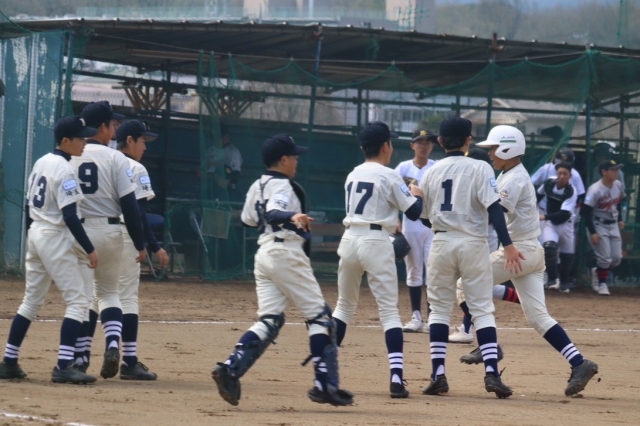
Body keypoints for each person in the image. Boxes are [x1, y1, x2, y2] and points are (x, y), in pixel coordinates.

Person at [455, 125, 599, 398]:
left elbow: (495, 212)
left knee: (463, 284)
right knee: (537, 316)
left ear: (508, 149)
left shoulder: (514, 178)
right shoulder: (509, 174)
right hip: (530, 252)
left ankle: (488, 346)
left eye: (494, 148)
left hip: (517, 252)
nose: (490, 153)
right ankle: (580, 363)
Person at [212, 134, 353, 407]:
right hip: (285, 254)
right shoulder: (283, 186)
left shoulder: (257, 184)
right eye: (294, 156)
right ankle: (325, 385)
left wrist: (281, 216)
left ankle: (230, 368)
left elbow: (248, 219)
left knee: (270, 320)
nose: (297, 160)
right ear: (284, 159)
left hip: (264, 254)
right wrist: (291, 216)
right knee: (321, 318)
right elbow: (273, 214)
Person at [419, 117, 521, 399]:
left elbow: (425, 218)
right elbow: (495, 209)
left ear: (440, 142)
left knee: (439, 310)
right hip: (473, 242)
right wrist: (508, 244)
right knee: (482, 310)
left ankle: (438, 376)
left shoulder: (430, 172)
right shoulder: (480, 167)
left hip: (441, 242)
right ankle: (492, 373)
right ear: (468, 140)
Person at [0, 116, 98, 384]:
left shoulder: (42, 161)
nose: (85, 142)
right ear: (65, 141)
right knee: (78, 301)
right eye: (80, 138)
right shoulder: (65, 170)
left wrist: (31, 238)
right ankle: (64, 366)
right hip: (54, 235)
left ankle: (9, 361)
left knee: (31, 301)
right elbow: (70, 216)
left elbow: (28, 204)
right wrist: (89, 248)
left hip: (36, 232)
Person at [332, 121, 424, 399]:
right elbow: (414, 212)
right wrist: (416, 194)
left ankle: (326, 372)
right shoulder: (389, 174)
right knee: (389, 313)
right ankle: (396, 378)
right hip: (376, 241)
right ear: (385, 146)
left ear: (363, 148)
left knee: (343, 307)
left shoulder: (353, 173)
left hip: (350, 239)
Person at [70, 101, 147, 380]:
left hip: (79, 232)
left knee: (83, 298)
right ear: (102, 127)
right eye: (112, 125)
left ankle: (80, 359)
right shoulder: (116, 159)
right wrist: (140, 243)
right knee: (110, 294)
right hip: (111, 230)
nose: (114, 131)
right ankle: (113, 344)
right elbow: (130, 207)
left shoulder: (71, 156)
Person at [114, 120, 170, 380]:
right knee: (127, 299)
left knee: (95, 297)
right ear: (129, 140)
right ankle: (129, 361)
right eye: (143, 140)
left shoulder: (104, 162)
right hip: (125, 236)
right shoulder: (137, 168)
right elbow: (139, 214)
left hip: (97, 234)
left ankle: (78, 358)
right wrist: (149, 245)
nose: (145, 147)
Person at [448, 147, 520, 345]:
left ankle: (466, 329)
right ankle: (525, 300)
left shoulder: (484, 181)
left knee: (472, 284)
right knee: (480, 284)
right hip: (475, 237)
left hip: (482, 236)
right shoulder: (478, 180)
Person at [394, 128, 437, 333]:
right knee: (414, 271)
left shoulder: (436, 167)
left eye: (427, 142)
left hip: (432, 225)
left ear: (433, 146)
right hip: (411, 224)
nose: (424, 146)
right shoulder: (402, 168)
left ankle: (432, 318)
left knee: (433, 272)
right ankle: (416, 317)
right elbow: (391, 194)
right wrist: (394, 218)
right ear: (412, 145)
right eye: (420, 142)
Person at [581, 160, 626, 296]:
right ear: (604, 172)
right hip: (598, 224)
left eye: (616, 170)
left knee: (616, 258)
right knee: (605, 258)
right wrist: (593, 232)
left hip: (613, 224)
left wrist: (620, 219)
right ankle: (602, 284)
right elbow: (585, 212)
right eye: (612, 170)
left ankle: (599, 271)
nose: (615, 172)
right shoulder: (595, 189)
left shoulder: (618, 185)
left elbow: (618, 202)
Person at [537, 162, 577, 293]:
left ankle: (564, 282)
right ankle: (553, 280)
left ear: (570, 176)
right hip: (551, 224)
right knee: (549, 247)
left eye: (565, 174)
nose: (561, 176)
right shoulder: (549, 183)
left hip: (566, 224)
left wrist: (544, 216)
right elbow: (538, 195)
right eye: (559, 173)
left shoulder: (571, 191)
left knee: (567, 255)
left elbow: (563, 214)